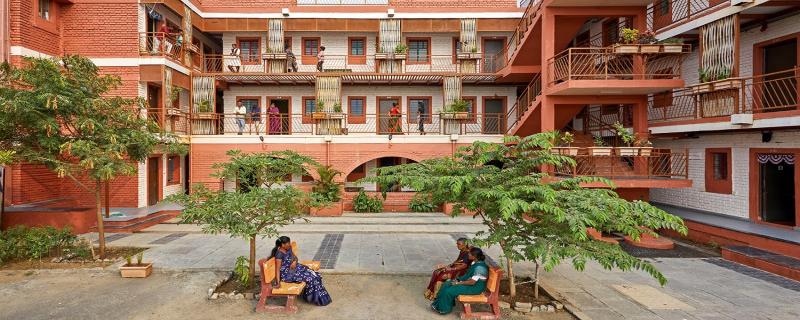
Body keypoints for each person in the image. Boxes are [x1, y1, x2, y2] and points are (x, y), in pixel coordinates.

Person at [270, 236, 332, 306]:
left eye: (289, 242)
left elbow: (295, 257)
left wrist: (294, 262)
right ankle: (312, 298)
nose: (289, 244)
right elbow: (277, 270)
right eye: (287, 243)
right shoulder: (279, 254)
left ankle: (317, 297)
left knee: (315, 274)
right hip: (288, 274)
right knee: (311, 278)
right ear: (282, 245)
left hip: (296, 268)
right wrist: (278, 283)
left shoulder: (288, 248)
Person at [431, 247, 489, 315]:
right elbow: (467, 276)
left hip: (474, 288)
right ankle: (439, 304)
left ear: (474, 256)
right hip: (469, 283)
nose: (468, 255)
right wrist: (457, 279)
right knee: (446, 284)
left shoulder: (480, 268)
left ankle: (444, 309)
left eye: (470, 254)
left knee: (449, 291)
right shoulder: (475, 263)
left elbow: (472, 282)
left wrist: (458, 283)